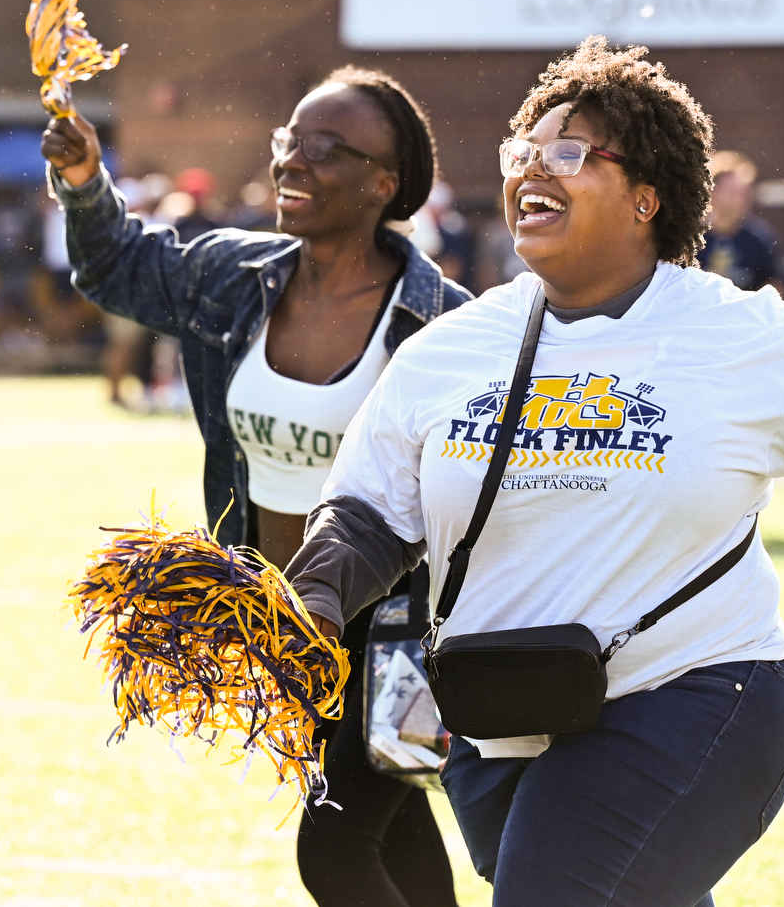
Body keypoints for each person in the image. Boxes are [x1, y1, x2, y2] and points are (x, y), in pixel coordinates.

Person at [285, 37, 784, 907]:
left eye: (568, 153)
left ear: (647, 197)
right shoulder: (449, 350)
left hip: (698, 696)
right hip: (498, 714)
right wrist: (310, 604)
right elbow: (368, 516)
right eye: (522, 152)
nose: (533, 170)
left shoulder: (749, 337)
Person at [41, 65, 471, 907]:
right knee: (396, 827)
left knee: (338, 847)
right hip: (286, 625)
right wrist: (87, 182)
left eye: (325, 149)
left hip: (407, 638)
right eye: (289, 141)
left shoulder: (444, 324)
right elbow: (118, 269)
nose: (292, 162)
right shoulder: (234, 275)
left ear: (384, 184)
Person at [699, 149, 782, 292]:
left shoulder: (759, 238)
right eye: (732, 193)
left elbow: (775, 287)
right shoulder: (691, 237)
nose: (740, 200)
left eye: (744, 193)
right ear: (712, 191)